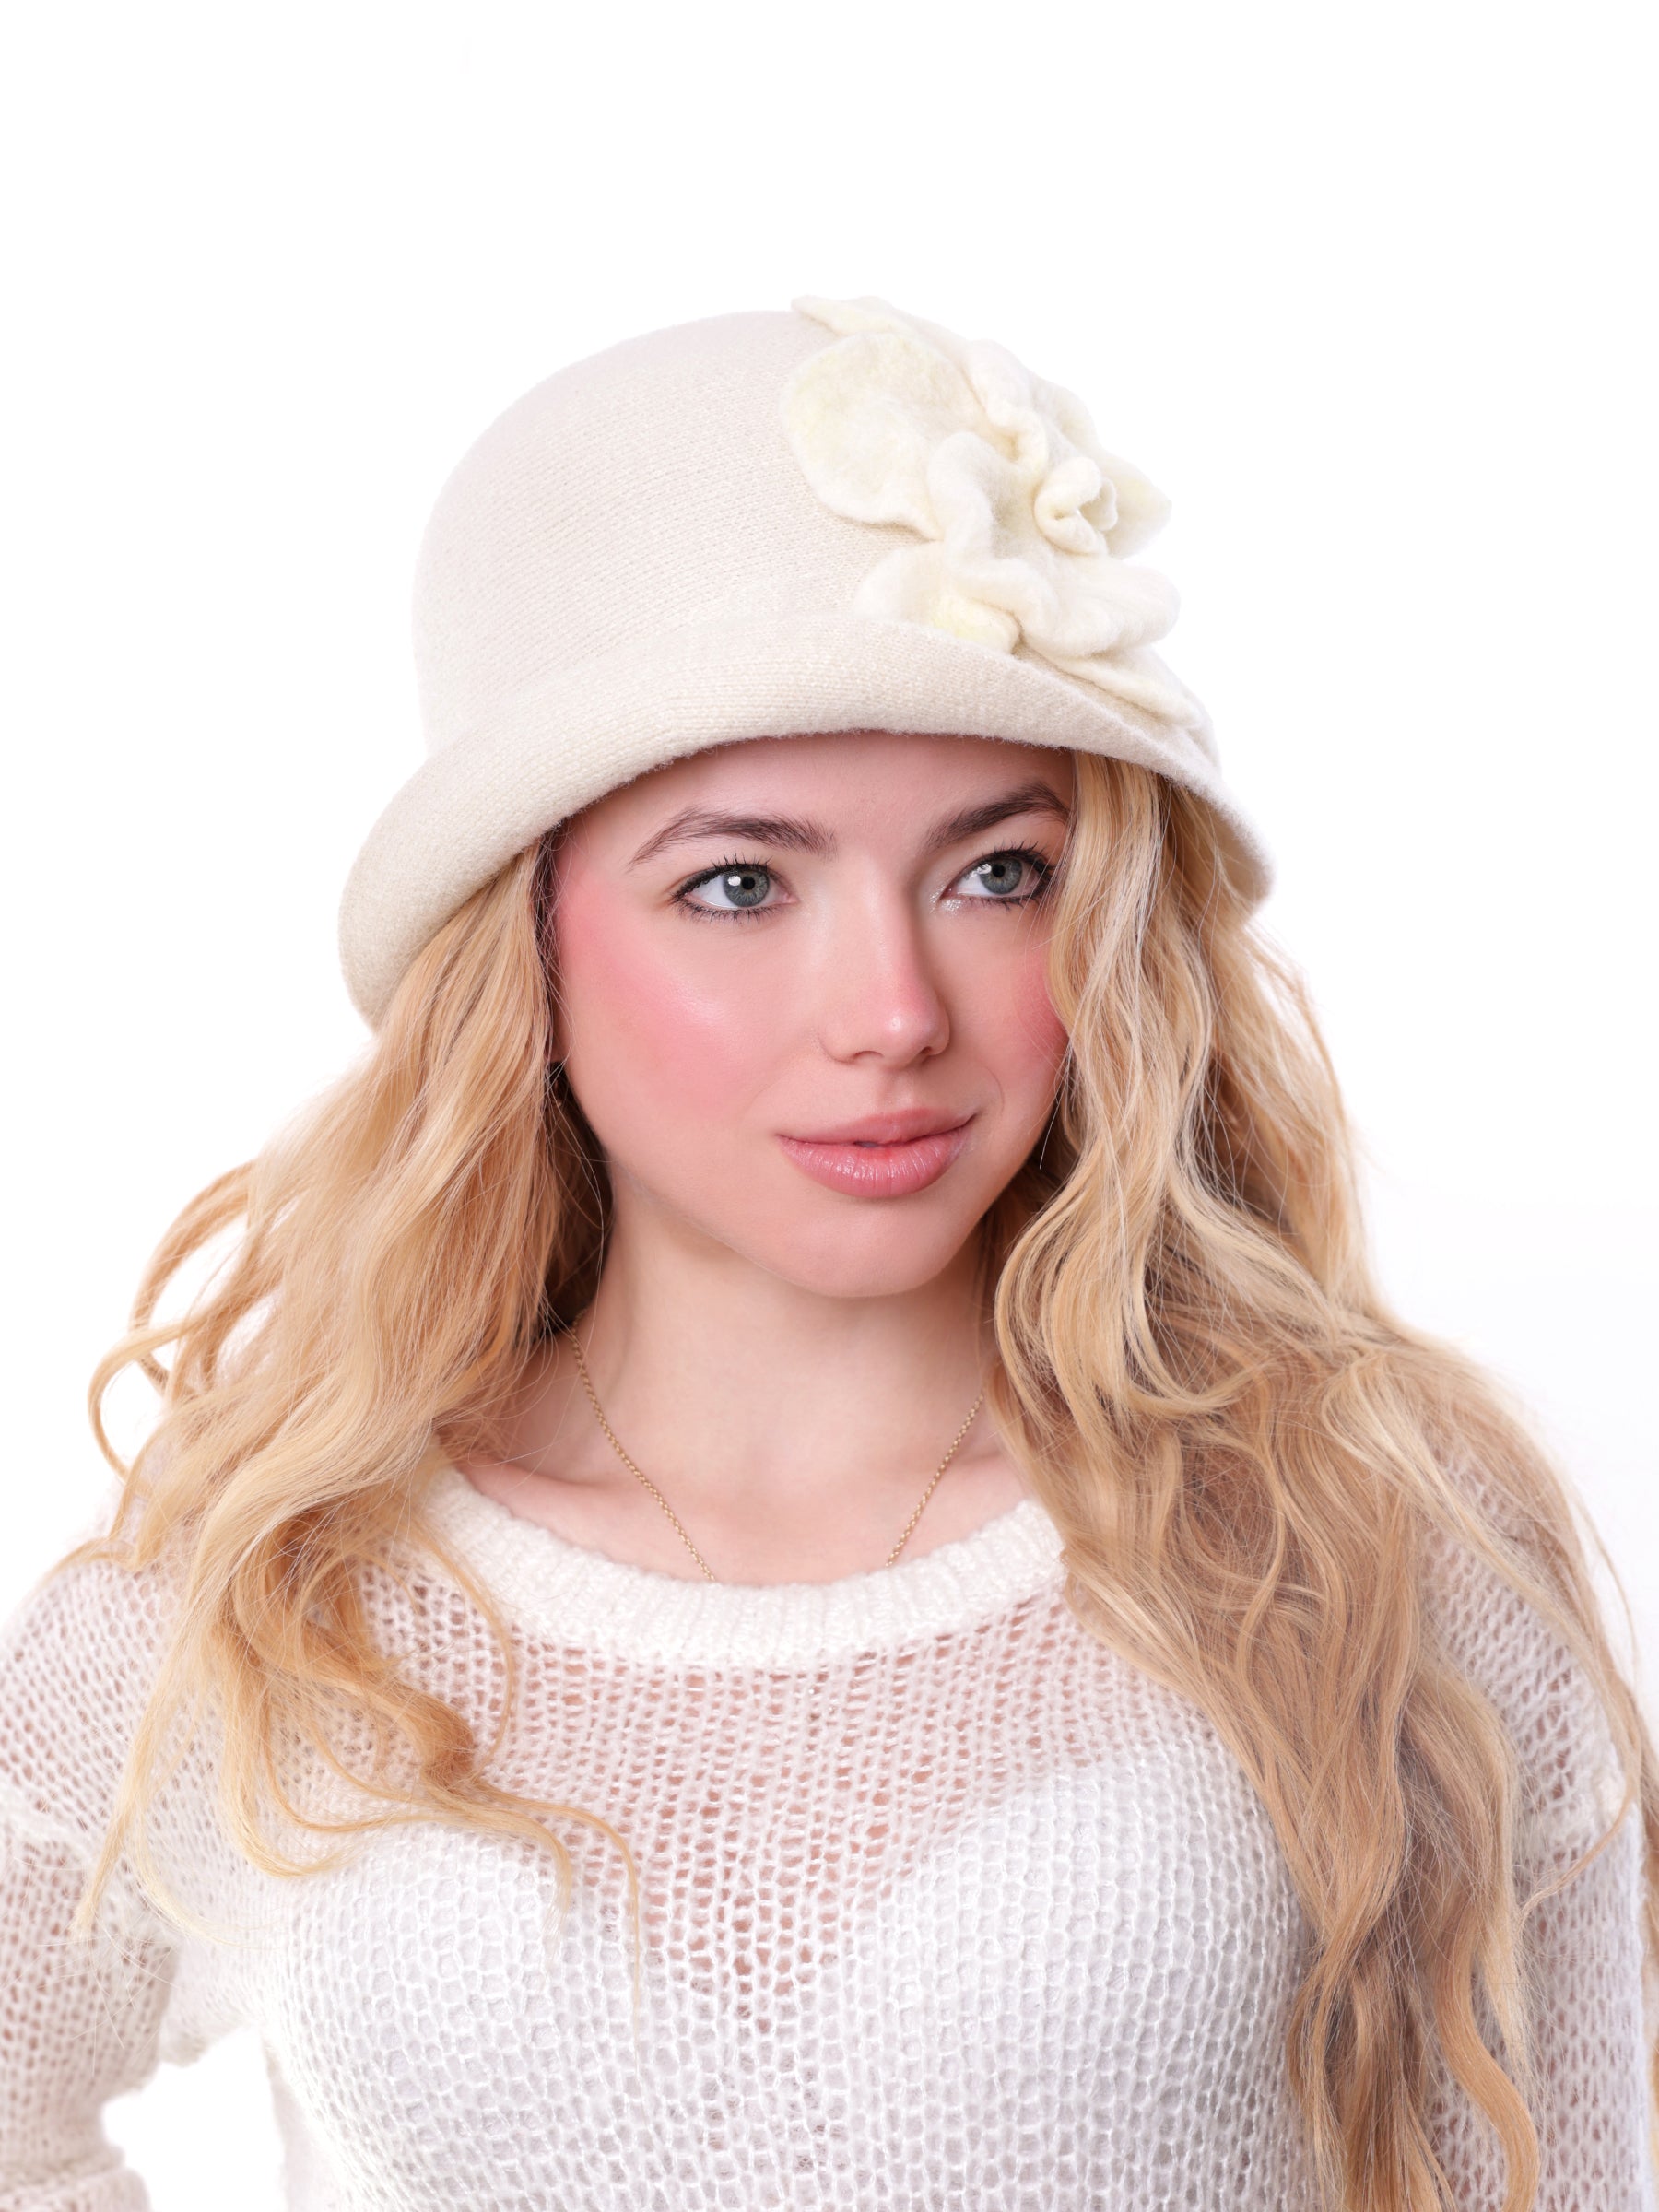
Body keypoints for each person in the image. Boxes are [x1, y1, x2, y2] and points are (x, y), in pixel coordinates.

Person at [0, 293, 1653, 2212]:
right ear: (519, 946)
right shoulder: (270, 1594)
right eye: (737, 883)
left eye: (999, 874)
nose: (892, 1011)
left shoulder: (1360, 1537)